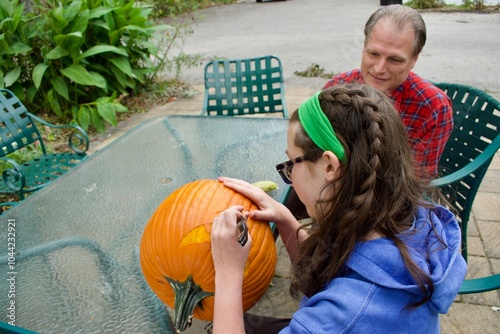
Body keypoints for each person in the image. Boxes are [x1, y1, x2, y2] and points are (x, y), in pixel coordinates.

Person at [210, 85, 466, 334]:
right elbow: (335, 270)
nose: (289, 173)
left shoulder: (346, 314)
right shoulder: (404, 220)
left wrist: (228, 272)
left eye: (291, 164)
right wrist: (288, 221)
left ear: (329, 167)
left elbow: (341, 309)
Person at [323, 4, 453, 177]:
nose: (379, 68)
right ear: (364, 47)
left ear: (414, 59)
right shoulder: (337, 86)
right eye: (373, 54)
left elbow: (418, 179)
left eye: (394, 59)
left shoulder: (433, 107)